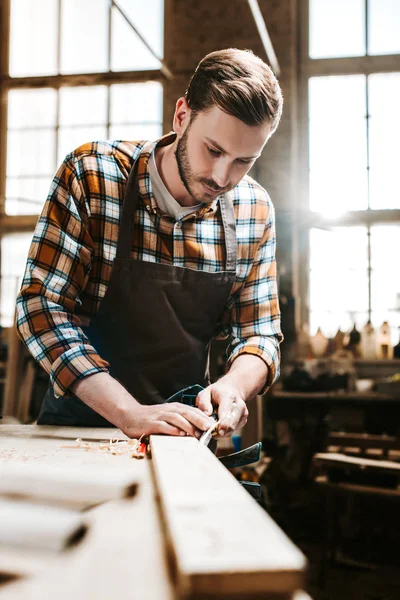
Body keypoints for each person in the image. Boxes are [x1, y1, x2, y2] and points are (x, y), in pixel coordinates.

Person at [16, 48, 284, 441]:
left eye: (244, 161)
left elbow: (258, 333)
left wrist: (235, 386)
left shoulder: (253, 209)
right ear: (181, 116)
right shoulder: (92, 175)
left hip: (181, 438)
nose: (223, 177)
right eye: (213, 150)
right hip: (78, 431)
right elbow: (42, 306)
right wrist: (129, 412)